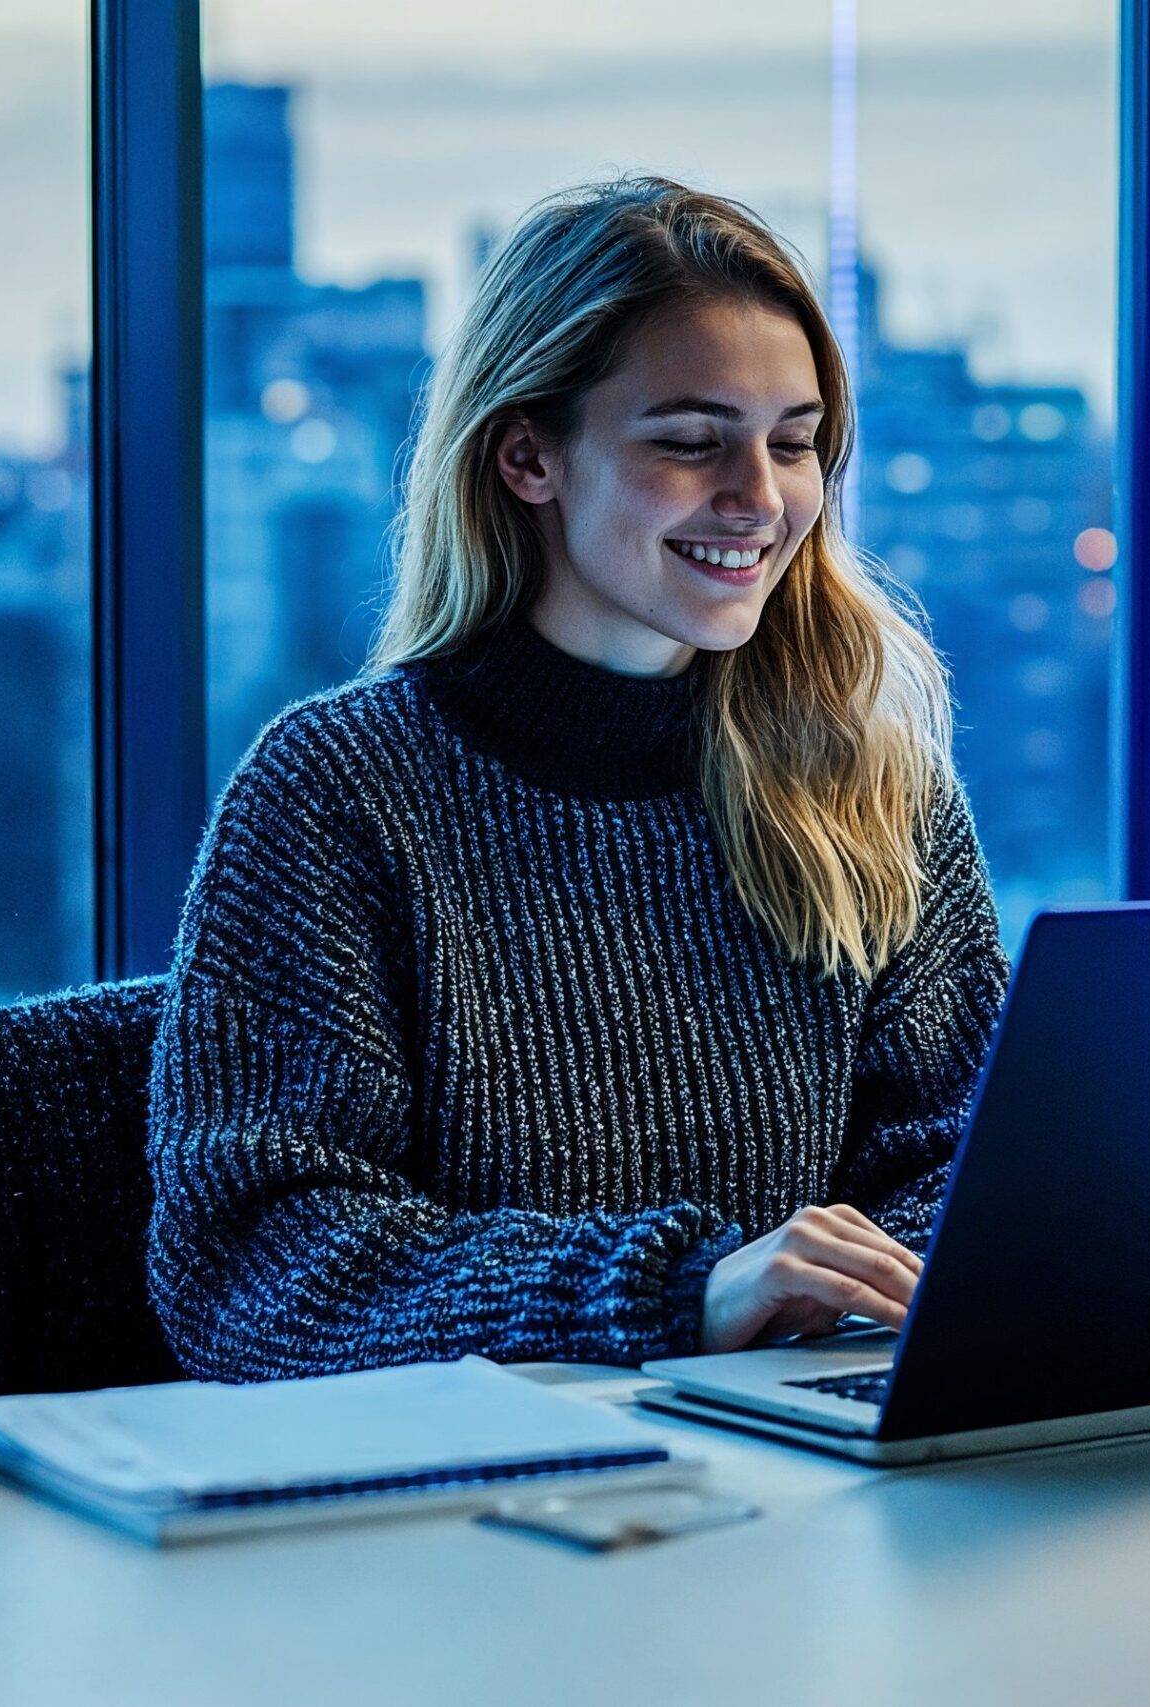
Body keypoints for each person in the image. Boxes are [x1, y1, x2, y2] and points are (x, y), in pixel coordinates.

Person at [147, 175, 1009, 1381]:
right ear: (527, 457)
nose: (761, 500)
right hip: (467, 1481)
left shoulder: (872, 790)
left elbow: (966, 1165)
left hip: (800, 1454)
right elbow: (256, 1267)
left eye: (794, 443)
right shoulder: (335, 795)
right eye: (690, 442)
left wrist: (863, 1291)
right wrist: (678, 1295)